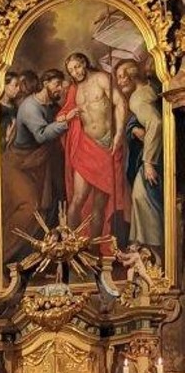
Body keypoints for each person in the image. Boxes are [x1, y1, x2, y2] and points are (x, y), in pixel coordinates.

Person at [2, 69, 74, 264]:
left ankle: (30, 260)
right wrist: (66, 122)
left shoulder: (51, 107)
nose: (60, 89)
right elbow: (41, 135)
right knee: (29, 207)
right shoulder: (30, 107)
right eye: (56, 84)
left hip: (37, 165)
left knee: (45, 209)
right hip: (18, 164)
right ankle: (1, 255)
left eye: (61, 86)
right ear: (45, 83)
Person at [60, 52, 129, 241]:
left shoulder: (101, 78)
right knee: (77, 199)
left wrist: (119, 134)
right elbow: (62, 116)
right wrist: (68, 116)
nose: (75, 72)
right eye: (71, 70)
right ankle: (70, 246)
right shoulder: (73, 90)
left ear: (84, 63)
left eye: (77, 67)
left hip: (106, 146)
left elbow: (120, 103)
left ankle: (94, 249)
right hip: (85, 147)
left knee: (99, 205)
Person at [114, 59, 163, 249]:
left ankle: (150, 246)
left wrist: (148, 162)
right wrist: (133, 127)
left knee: (141, 196)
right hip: (155, 152)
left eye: (121, 77)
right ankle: (141, 243)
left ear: (132, 75)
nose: (119, 82)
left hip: (152, 157)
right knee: (141, 197)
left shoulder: (137, 98)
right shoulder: (150, 88)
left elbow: (155, 123)